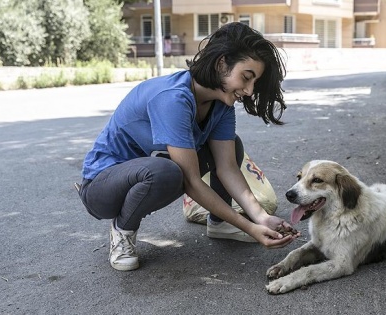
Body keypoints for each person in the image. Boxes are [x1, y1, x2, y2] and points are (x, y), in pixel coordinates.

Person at [76, 22, 299, 271]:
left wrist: (261, 217)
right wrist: (248, 227)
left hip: (150, 172)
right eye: (246, 78)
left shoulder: (221, 104)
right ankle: (122, 230)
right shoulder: (173, 98)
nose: (248, 91)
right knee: (167, 172)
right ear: (222, 63)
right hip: (102, 188)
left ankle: (219, 223)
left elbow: (227, 167)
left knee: (231, 146)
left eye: (253, 83)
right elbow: (191, 181)